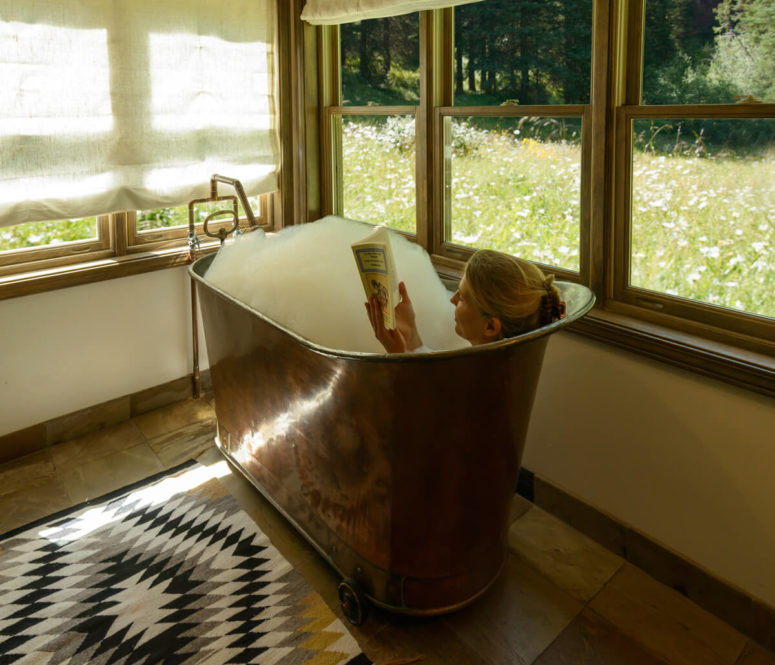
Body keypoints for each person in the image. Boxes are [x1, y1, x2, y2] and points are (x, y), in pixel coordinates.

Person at [364, 249, 565, 353]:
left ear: (490, 326)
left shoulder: (481, 379)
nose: (452, 299)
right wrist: (411, 339)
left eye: (461, 298)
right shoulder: (485, 363)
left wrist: (397, 356)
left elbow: (425, 421)